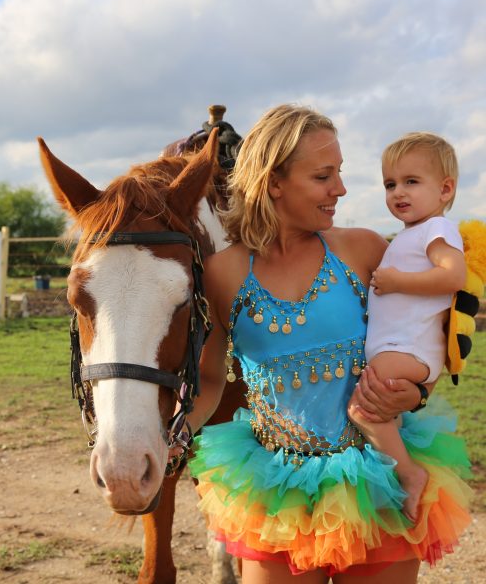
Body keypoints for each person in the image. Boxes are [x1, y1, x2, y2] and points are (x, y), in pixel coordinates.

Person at [186, 105, 472, 583]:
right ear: (274, 181)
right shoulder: (222, 273)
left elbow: (432, 330)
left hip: (378, 480)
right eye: (323, 176)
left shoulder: (363, 251)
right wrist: (170, 438)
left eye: (339, 173)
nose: (340, 188)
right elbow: (212, 377)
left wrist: (418, 391)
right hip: (274, 490)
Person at [348, 132, 466, 524]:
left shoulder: (438, 231)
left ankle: (409, 474)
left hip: (410, 349)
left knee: (363, 409)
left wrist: (398, 282)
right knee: (381, 415)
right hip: (400, 347)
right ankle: (395, 474)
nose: (398, 192)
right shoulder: (413, 234)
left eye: (411, 182)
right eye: (390, 184)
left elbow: (453, 276)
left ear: (445, 189)